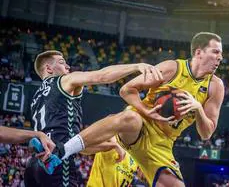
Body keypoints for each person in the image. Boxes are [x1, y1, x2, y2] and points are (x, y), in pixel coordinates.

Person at [49, 32, 224, 187]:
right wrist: (145, 110)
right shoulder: (172, 68)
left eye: (221, 54)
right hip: (139, 125)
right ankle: (63, 150)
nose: (220, 58)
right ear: (198, 52)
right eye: (216, 52)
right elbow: (127, 90)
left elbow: (206, 133)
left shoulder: (215, 87)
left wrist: (198, 108)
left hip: (162, 144)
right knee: (130, 118)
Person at [24, 50, 163, 187]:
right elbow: (102, 76)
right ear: (48, 68)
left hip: (35, 163)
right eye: (62, 62)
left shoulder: (36, 96)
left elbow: (78, 147)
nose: (67, 66)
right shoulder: (65, 80)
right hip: (57, 160)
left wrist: (111, 145)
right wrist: (137, 66)